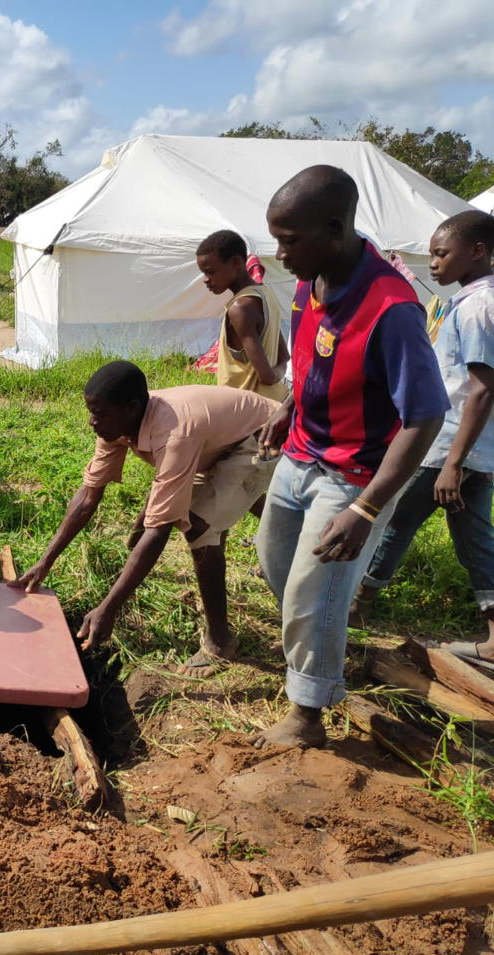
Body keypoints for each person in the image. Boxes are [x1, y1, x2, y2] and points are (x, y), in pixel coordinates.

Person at [254, 165, 448, 749]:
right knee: (277, 562)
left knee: (315, 589)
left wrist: (365, 511)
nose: (281, 253)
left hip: (353, 477)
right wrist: (289, 402)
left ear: (334, 229)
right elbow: (312, 358)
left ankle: (308, 715)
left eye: (290, 240)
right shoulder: (307, 283)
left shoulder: (393, 308)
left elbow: (426, 416)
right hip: (300, 456)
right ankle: (319, 646)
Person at [9, 361, 279, 676]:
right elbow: (88, 496)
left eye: (99, 414)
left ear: (133, 408)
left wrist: (108, 609)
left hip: (263, 436)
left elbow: (159, 531)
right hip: (222, 439)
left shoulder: (174, 432)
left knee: (201, 527)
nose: (92, 422)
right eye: (91, 412)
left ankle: (220, 640)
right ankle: (301, 536)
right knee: (228, 501)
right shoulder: (114, 422)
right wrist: (45, 561)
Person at [354, 210, 494, 666]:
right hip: (475, 448)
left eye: (441, 254)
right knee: (474, 535)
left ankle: (358, 604)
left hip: (449, 445)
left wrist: (452, 461)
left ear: (477, 251)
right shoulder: (478, 300)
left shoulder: (476, 306)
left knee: (392, 518)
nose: (432, 264)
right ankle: (493, 634)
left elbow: (482, 387)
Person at [196, 229, 289, 402]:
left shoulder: (240, 309)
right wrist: (279, 378)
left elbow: (266, 377)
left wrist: (273, 377)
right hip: (275, 401)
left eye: (211, 272)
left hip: (246, 414)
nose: (206, 279)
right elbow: (283, 356)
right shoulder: (266, 293)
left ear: (236, 263)